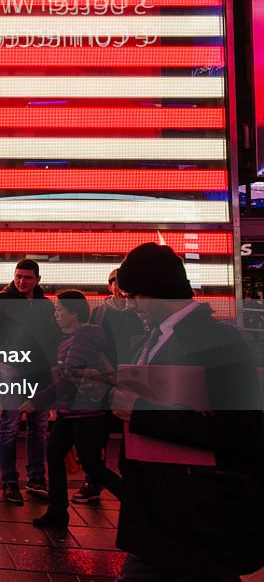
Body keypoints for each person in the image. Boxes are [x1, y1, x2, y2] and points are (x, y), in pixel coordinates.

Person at [103, 243, 264, 580]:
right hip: (167, 511)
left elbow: (245, 430)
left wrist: (141, 411)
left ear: (160, 292)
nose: (130, 305)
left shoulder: (217, 340)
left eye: (135, 296)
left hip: (194, 515)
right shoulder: (153, 337)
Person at [22, 290, 121, 529]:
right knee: (55, 454)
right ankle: (57, 513)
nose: (56, 315)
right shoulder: (76, 337)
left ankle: (136, 502)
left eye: (60, 310)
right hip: (72, 411)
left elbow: (67, 378)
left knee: (92, 465)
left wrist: (36, 401)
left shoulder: (79, 341)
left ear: (74, 314)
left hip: (85, 412)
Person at [0, 259, 59, 505]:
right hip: (15, 368)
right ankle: (11, 481)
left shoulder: (44, 306)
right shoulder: (1, 301)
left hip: (40, 371)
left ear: (37, 279)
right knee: (13, 424)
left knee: (37, 428)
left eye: (27, 277)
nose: (22, 281)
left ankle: (34, 479)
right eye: (18, 276)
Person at [73, 268, 145, 505]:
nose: (122, 288)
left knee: (132, 428)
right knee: (99, 431)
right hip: (108, 377)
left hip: (133, 377)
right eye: (117, 283)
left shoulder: (138, 311)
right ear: (109, 285)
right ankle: (94, 481)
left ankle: (131, 482)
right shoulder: (100, 312)